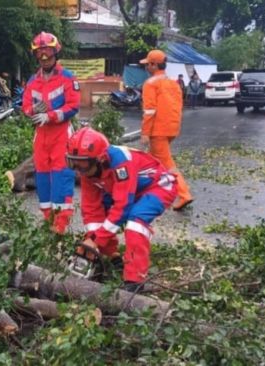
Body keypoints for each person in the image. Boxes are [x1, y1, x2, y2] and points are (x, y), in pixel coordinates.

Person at [66, 127, 177, 291]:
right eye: (74, 162)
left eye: (82, 164)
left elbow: (122, 206)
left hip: (157, 186)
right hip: (128, 189)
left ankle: (135, 281)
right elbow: (91, 209)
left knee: (135, 222)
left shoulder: (121, 163)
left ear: (100, 159)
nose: (79, 169)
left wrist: (96, 241)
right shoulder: (87, 172)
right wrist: (92, 239)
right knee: (98, 218)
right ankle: (112, 257)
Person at [22, 31, 80, 233]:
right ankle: (49, 223)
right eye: (41, 56)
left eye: (48, 56)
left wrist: (52, 115)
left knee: (61, 178)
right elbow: (26, 105)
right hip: (41, 137)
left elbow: (73, 106)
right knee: (43, 181)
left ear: (56, 54)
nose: (45, 60)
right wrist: (33, 112)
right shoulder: (32, 81)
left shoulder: (67, 78)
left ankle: (61, 225)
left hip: (61, 136)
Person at [140, 49, 194, 211]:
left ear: (154, 65)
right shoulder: (173, 83)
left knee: (166, 164)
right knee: (152, 162)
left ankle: (184, 194)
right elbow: (178, 106)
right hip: (172, 128)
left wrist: (145, 132)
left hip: (158, 130)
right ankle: (150, 191)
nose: (146, 67)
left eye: (148, 64)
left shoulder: (151, 84)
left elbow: (150, 111)